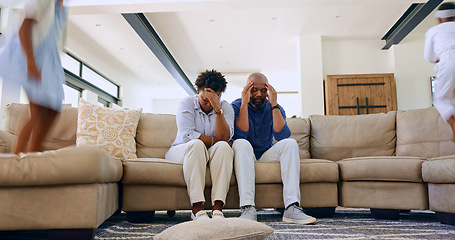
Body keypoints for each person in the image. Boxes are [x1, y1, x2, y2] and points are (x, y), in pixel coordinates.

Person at [231, 73, 316, 224]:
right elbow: (240, 134)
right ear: (246, 90)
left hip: (265, 155)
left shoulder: (275, 107)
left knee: (290, 143)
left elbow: (282, 135)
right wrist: (244, 104)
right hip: (245, 155)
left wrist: (274, 105)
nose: (259, 94)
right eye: (254, 90)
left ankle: (291, 208)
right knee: (240, 143)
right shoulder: (236, 106)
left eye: (263, 90)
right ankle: (248, 208)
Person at [165, 69, 234, 220]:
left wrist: (218, 109)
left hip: (209, 152)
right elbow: (188, 135)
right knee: (196, 144)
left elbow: (224, 138)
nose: (208, 103)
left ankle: (218, 207)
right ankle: (197, 208)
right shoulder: (187, 103)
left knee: (224, 148)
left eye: (212, 99)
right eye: (204, 99)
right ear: (197, 91)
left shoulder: (225, 107)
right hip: (182, 150)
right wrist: (218, 141)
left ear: (220, 94)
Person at [0, 0, 68, 154]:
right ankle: (16, 160)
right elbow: (24, 28)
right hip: (34, 57)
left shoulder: (63, 6)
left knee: (53, 110)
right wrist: (31, 61)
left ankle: (31, 156)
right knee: (38, 113)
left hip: (50, 62)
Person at [424, 2, 455, 139]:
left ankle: (453, 123)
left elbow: (429, 56)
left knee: (441, 100)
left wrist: (440, 59)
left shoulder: (433, 31)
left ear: (439, 18)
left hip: (448, 63)